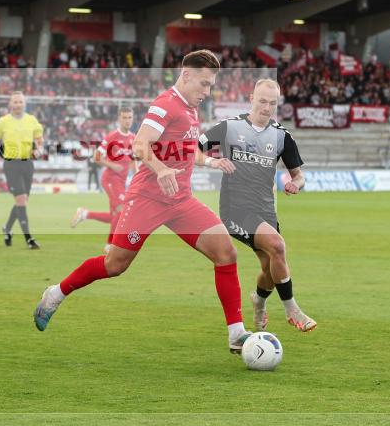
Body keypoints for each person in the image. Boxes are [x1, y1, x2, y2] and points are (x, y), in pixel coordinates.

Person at [34, 50, 253, 355]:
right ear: (186, 75)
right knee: (114, 265)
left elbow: (186, 152)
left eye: (210, 86)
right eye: (203, 84)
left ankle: (236, 333)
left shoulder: (191, 110)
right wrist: (161, 168)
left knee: (226, 252)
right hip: (147, 199)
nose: (207, 92)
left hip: (180, 201)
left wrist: (212, 163)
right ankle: (56, 293)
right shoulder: (165, 104)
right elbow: (140, 144)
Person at [197, 78, 317, 333]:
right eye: (262, 101)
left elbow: (298, 174)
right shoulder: (229, 127)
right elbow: (193, 150)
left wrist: (296, 183)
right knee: (277, 246)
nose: (266, 107)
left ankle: (259, 301)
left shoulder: (282, 136)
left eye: (272, 103)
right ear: (251, 98)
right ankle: (292, 309)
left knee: (270, 268)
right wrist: (213, 162)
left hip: (265, 211)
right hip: (235, 209)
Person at [70, 107, 136, 248]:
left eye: (130, 117)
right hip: (110, 179)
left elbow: (132, 160)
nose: (127, 121)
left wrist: (136, 177)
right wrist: (112, 165)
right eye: (124, 117)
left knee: (114, 217)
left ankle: (85, 214)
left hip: (121, 182)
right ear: (119, 119)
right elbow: (96, 157)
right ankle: (109, 245)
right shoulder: (112, 136)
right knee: (121, 210)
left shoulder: (133, 138)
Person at [0, 91, 44, 249]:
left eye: (20, 102)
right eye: (15, 102)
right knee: (21, 200)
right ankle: (29, 239)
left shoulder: (32, 120)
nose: (18, 104)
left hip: (27, 164)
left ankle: (7, 228)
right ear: (10, 104)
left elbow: (40, 140)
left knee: (22, 201)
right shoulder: (3, 122)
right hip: (11, 164)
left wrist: (39, 149)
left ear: (24, 104)